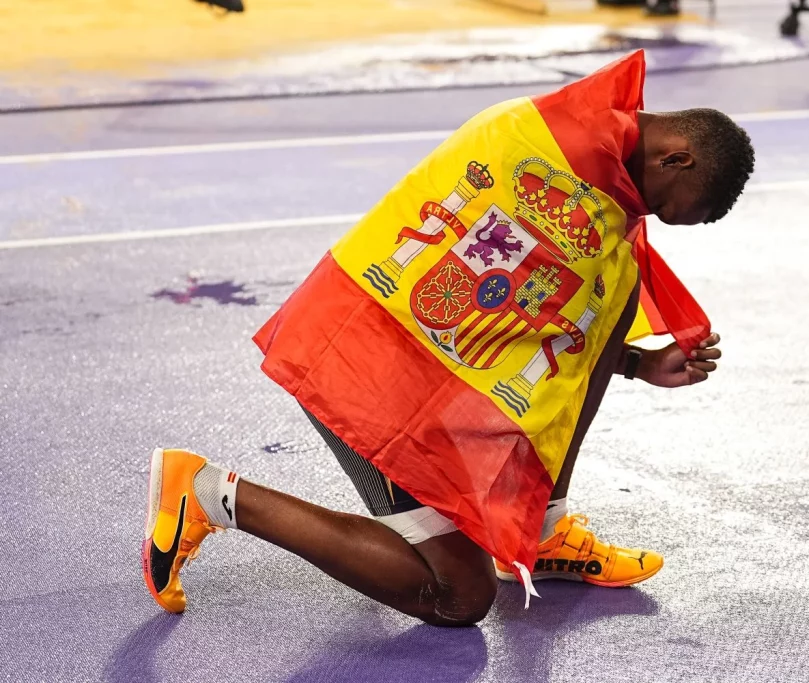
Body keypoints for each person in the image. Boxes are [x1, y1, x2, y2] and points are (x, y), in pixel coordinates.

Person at [141, 51, 754, 627]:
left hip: (393, 359)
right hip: (365, 373)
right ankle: (208, 494)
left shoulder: (566, 152)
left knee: (617, 289)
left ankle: (544, 533)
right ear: (676, 158)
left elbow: (541, 321)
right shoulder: (563, 174)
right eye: (662, 205)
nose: (643, 216)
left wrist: (637, 364)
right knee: (460, 596)